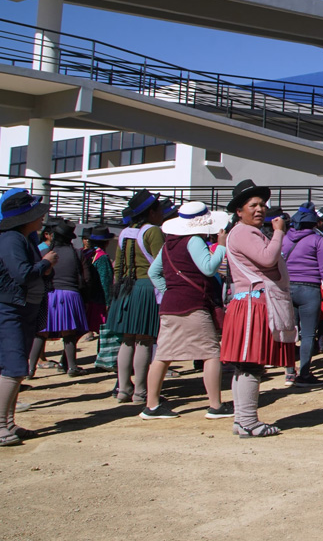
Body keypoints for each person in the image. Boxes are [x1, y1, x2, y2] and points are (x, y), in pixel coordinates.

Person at [140, 201, 233, 420]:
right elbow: (208, 268)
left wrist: (170, 290)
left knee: (163, 354)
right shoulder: (194, 241)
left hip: (170, 305)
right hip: (193, 305)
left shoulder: (168, 245)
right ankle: (215, 406)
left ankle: (151, 406)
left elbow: (154, 273)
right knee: (211, 353)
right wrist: (221, 246)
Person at [222, 179, 296, 437]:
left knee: (245, 365)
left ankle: (242, 419)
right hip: (254, 305)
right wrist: (279, 232)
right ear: (239, 211)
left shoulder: (243, 232)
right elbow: (267, 258)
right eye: (253, 205)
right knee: (251, 364)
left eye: (262, 204)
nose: (260, 209)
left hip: (249, 302)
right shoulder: (244, 232)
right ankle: (247, 422)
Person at [0, 189, 55, 446]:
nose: (41, 218)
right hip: (11, 310)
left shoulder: (23, 238)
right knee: (13, 368)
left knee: (16, 368)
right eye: (37, 214)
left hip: (22, 310)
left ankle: (8, 424)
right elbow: (22, 274)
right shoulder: (12, 239)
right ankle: (1, 426)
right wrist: (45, 263)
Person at [106, 190, 166, 404]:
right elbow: (162, 264)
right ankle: (141, 391)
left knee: (127, 340)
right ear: (151, 212)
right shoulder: (153, 232)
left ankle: (123, 389)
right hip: (146, 288)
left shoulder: (125, 233)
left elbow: (119, 266)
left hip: (125, 288)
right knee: (144, 340)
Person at [282, 205, 323, 387]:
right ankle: (304, 374)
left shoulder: (284, 239)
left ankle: (289, 372)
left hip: (286, 288)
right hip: (310, 289)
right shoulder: (317, 240)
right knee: (308, 334)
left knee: (289, 332)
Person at [32, 221, 88, 377]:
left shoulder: (46, 253)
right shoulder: (77, 253)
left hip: (49, 295)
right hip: (71, 295)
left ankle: (30, 369)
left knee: (41, 333)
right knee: (69, 333)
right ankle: (71, 367)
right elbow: (86, 278)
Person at [82, 225, 116, 370]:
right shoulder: (102, 257)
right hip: (99, 298)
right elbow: (105, 279)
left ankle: (66, 359)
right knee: (103, 329)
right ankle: (101, 358)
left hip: (88, 296)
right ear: (107, 242)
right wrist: (108, 300)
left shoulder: (87, 254)